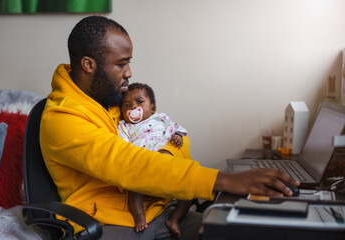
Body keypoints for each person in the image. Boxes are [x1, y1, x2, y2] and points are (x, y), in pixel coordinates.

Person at [40, 15, 299, 240]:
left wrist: (167, 154)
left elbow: (169, 132)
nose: (129, 73)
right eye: (121, 64)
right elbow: (127, 163)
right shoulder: (62, 118)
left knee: (242, 230)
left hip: (159, 210)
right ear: (88, 65)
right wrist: (224, 181)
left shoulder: (111, 99)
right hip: (107, 224)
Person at [118, 82, 192, 237]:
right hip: (144, 165)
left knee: (189, 192)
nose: (133, 107)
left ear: (152, 108)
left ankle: (174, 219)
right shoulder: (124, 126)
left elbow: (177, 129)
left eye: (139, 102)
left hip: (166, 164)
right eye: (127, 105)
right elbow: (122, 146)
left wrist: (178, 136)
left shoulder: (161, 118)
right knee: (134, 187)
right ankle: (140, 217)